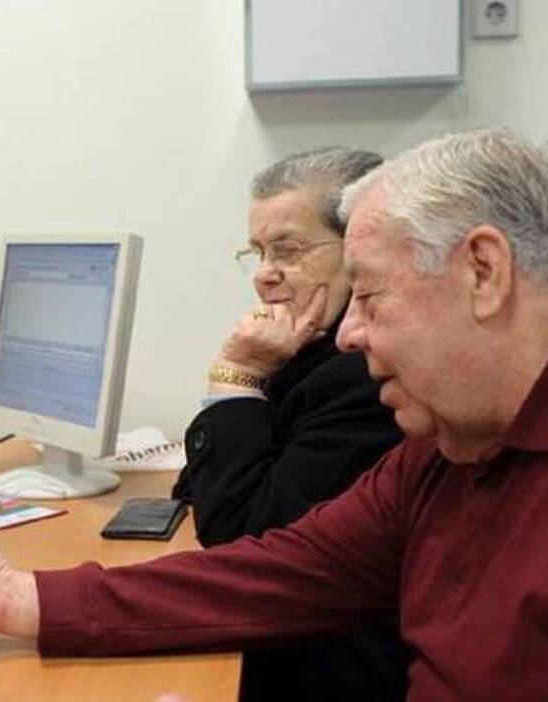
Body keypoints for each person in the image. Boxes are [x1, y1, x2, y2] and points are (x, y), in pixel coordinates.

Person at [0, 128, 548, 699]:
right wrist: (17, 598)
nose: (351, 335)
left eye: (368, 295)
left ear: (482, 271)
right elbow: (284, 571)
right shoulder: (463, 427)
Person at [171, 148, 405, 700]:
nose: (263, 275)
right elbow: (196, 489)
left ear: (360, 249)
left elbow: (237, 536)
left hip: (337, 673)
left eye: (288, 251)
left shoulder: (366, 380)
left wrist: (239, 373)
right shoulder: (305, 355)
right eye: (257, 252)